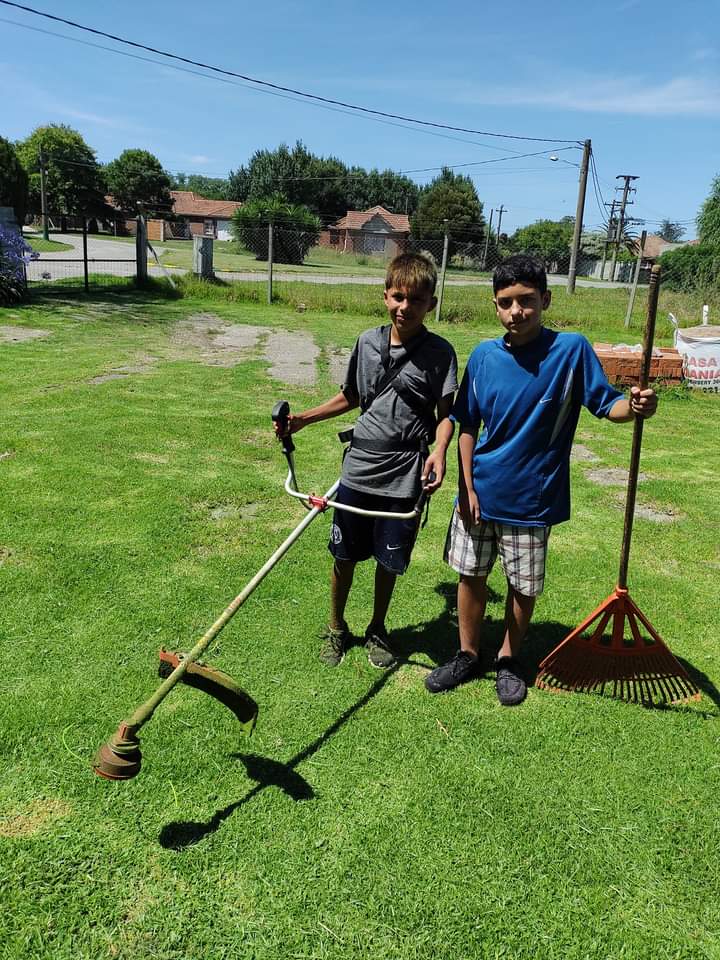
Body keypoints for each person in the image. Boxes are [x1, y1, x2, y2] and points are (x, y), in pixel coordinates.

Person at [425, 254, 658, 706]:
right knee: (470, 575)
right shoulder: (484, 357)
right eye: (506, 302)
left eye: (527, 301)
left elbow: (608, 406)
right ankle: (467, 654)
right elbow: (467, 425)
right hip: (480, 492)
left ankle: (509, 659)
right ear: (495, 306)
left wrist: (637, 407)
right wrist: (467, 487)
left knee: (523, 585)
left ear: (545, 299)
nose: (517, 311)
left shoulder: (570, 351)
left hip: (533, 498)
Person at [276, 253, 458, 669]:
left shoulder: (440, 354)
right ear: (385, 296)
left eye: (416, 299)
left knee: (388, 559)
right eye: (397, 297)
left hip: (404, 476)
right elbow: (352, 397)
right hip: (359, 468)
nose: (404, 307)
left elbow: (448, 416)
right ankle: (337, 627)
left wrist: (439, 451)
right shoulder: (367, 343)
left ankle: (378, 628)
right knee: (343, 555)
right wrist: (302, 419)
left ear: (431, 303)